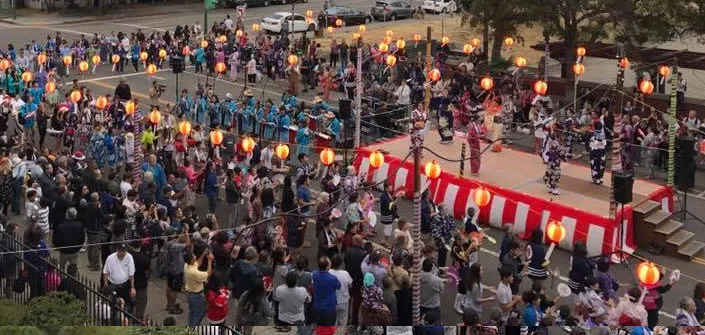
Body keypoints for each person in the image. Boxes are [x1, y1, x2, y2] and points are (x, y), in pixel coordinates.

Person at [102, 244, 136, 314]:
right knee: (113, 302)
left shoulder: (129, 257)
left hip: (125, 284)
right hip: (113, 284)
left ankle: (125, 316)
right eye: (121, 251)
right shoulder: (110, 258)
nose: (123, 253)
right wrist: (106, 285)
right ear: (117, 250)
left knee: (127, 302)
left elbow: (131, 274)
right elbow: (105, 272)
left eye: (124, 251)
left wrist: (132, 287)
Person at [184, 249, 213, 326]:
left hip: (190, 294)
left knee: (192, 312)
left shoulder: (187, 265)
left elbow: (198, 263)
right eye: (193, 256)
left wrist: (203, 254)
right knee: (199, 314)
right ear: (191, 260)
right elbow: (208, 274)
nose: (195, 256)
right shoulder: (193, 272)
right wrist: (210, 261)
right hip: (196, 295)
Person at [312, 256, 341, 326]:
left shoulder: (314, 275)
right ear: (328, 266)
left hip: (317, 307)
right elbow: (339, 287)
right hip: (329, 309)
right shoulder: (333, 278)